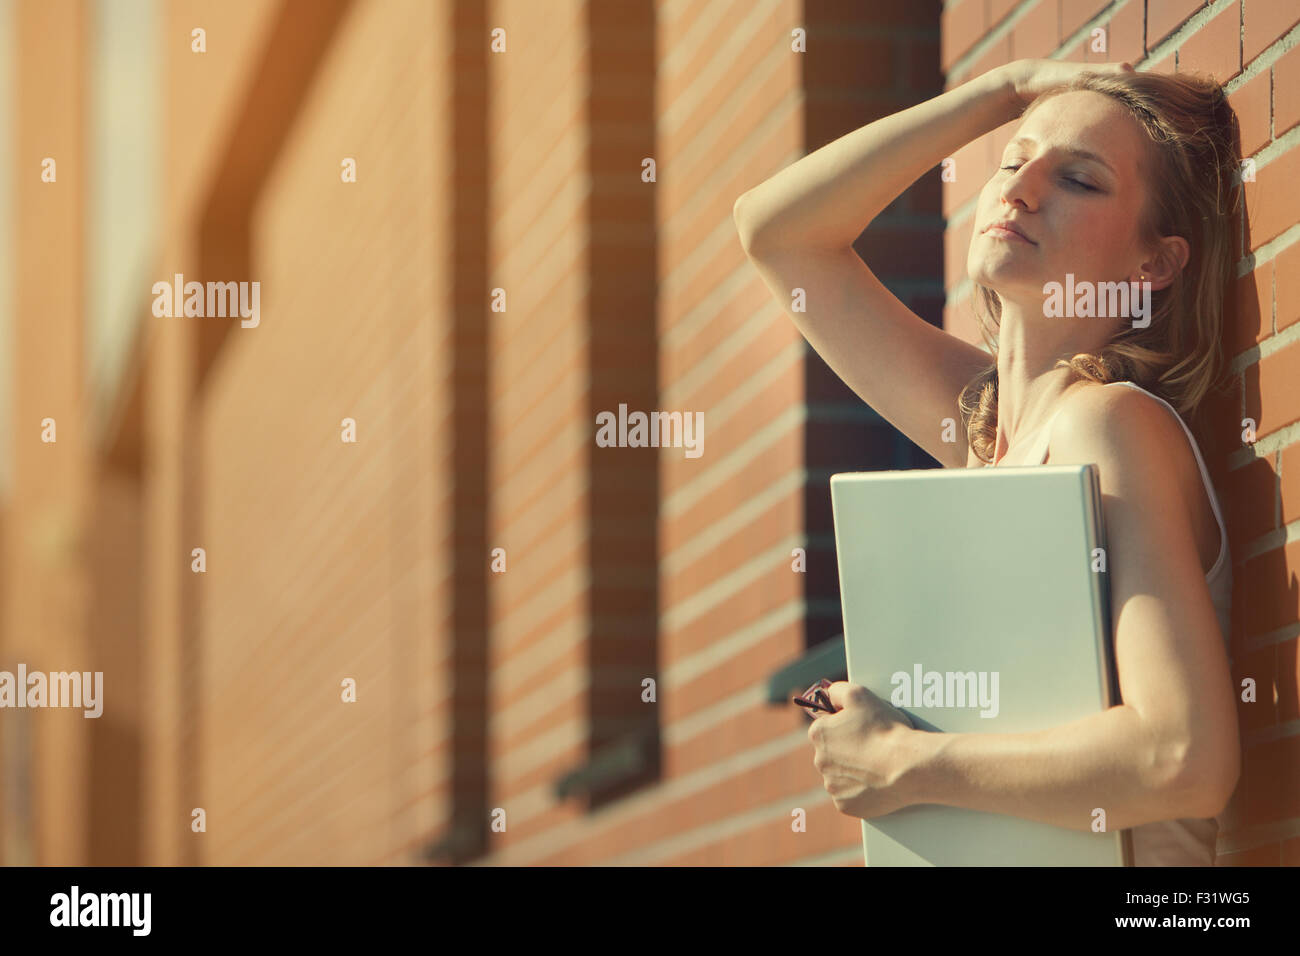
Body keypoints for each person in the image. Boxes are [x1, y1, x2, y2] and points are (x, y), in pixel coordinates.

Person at [735, 58, 1243, 865]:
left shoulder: (1108, 425)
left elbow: (1181, 757)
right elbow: (776, 233)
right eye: (1014, 161)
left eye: (1078, 178)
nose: (1020, 189)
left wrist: (905, 764)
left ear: (1154, 265)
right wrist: (1000, 92)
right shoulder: (983, 432)